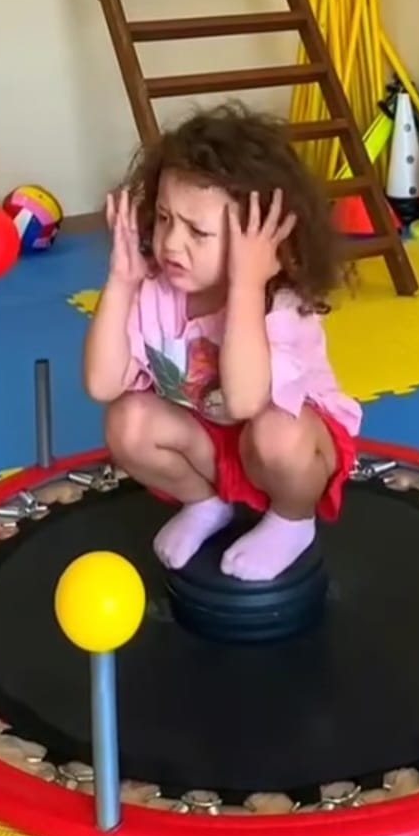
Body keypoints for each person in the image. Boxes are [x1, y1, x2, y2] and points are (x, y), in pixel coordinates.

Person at [83, 102, 362, 584]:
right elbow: (102, 384)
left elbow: (247, 401)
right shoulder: (156, 291)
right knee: (126, 421)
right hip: (211, 445)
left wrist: (246, 285)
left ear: (260, 243)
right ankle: (205, 504)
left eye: (198, 231)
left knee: (277, 434)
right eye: (164, 218)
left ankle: (292, 521)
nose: (172, 243)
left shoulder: (280, 306)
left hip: (289, 449)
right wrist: (122, 281)